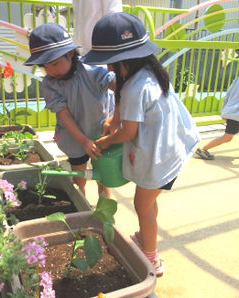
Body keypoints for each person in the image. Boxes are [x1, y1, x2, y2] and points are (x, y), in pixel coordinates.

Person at [82, 12, 200, 276]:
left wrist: (103, 141)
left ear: (126, 60)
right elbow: (126, 106)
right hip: (175, 144)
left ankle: (152, 260)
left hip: (162, 154)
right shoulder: (146, 71)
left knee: (141, 205)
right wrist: (114, 116)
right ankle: (148, 237)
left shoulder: (136, 86)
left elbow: (127, 134)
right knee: (148, 203)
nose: (109, 69)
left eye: (111, 63)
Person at [24, 23, 115, 198]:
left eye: (55, 64)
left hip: (101, 132)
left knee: (104, 176)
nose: (50, 71)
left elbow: (115, 85)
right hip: (73, 136)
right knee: (78, 175)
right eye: (45, 67)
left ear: (70, 53)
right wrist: (84, 141)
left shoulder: (93, 70)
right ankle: (81, 204)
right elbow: (64, 115)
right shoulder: (50, 84)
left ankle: (105, 211)